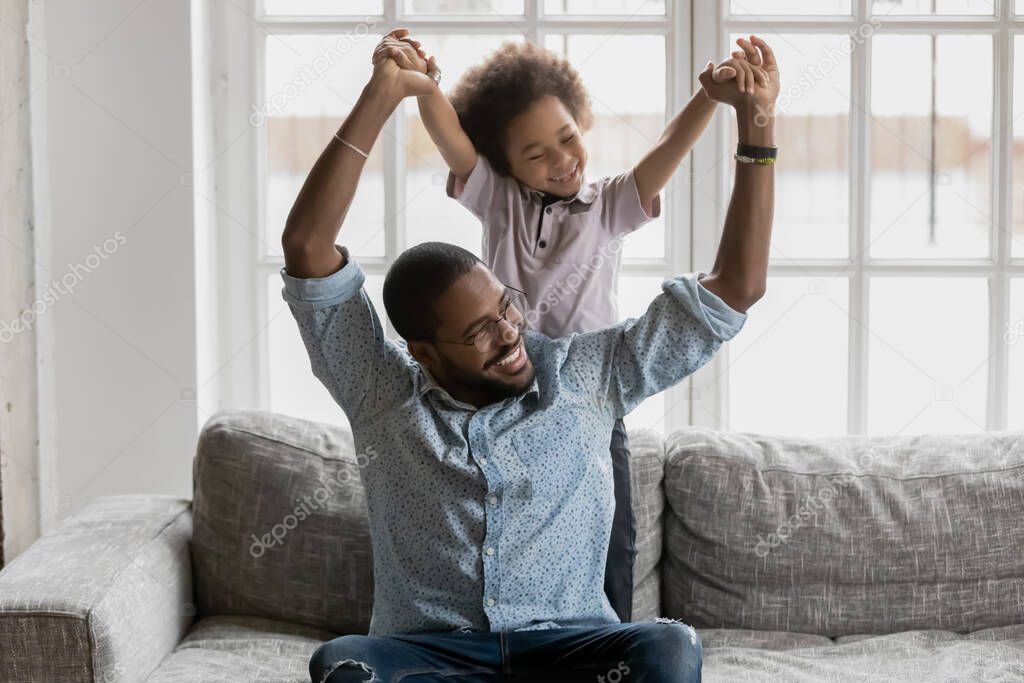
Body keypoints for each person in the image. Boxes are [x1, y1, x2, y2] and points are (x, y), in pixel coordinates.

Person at [281, 30, 778, 683]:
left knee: (667, 644)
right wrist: (382, 95)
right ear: (423, 352)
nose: (511, 333)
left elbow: (736, 287)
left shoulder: (588, 374)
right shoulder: (383, 396)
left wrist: (756, 122)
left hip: (570, 649)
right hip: (435, 653)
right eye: (481, 332)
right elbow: (307, 246)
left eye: (506, 309)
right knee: (342, 663)